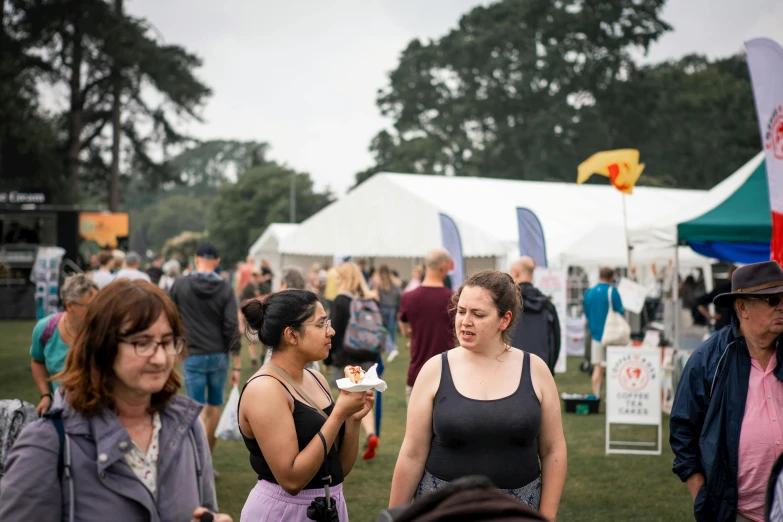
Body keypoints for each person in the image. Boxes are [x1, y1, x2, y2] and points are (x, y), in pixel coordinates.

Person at [0, 279, 232, 522]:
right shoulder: (47, 444)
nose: (161, 358)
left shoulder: (188, 427)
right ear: (102, 346)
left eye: (167, 342)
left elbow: (206, 510)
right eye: (142, 343)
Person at [389, 270, 567, 519]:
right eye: (461, 311)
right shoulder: (434, 370)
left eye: (478, 314)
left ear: (504, 320)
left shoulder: (535, 369)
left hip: (517, 511)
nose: (465, 321)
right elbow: (412, 454)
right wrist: (394, 515)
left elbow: (553, 450)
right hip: (443, 509)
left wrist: (546, 516)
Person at [238, 290, 374, 520]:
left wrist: (352, 419)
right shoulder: (265, 389)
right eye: (321, 324)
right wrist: (338, 414)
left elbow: (338, 469)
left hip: (328, 506)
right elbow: (292, 480)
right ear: (291, 335)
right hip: (284, 512)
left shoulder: (316, 378)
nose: (331, 331)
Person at [670, 261, 783, 522]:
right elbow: (682, 430)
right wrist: (701, 494)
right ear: (742, 306)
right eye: (772, 299)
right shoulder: (708, 358)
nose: (781, 306)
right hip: (735, 513)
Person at [170, 242, 240, 460]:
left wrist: (175, 345)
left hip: (193, 353)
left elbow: (169, 316)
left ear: (195, 258)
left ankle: (197, 459)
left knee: (196, 408)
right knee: (215, 405)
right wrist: (237, 363)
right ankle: (206, 456)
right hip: (219, 354)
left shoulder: (180, 285)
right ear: (217, 262)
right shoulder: (225, 288)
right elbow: (231, 325)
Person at [328, 261, 383, 460]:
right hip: (367, 356)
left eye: (338, 276)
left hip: (346, 358)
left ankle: (337, 441)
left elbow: (334, 333)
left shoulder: (341, 300)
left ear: (344, 278)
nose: (336, 279)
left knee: (344, 400)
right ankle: (371, 433)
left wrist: (328, 360)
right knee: (363, 396)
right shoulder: (371, 299)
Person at [30, 274, 99, 415]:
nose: (97, 310)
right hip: (62, 410)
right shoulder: (45, 329)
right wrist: (45, 395)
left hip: (99, 409)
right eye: (90, 306)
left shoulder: (104, 331)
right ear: (69, 306)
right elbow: (37, 362)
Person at [398, 248, 454, 404]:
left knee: (416, 427)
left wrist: (413, 334)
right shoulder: (452, 298)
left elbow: (404, 329)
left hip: (417, 372)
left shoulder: (408, 297)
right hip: (446, 374)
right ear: (443, 267)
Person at [509, 256, 561, 374]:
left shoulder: (508, 304)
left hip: (512, 370)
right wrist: (550, 370)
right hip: (541, 370)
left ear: (516, 273)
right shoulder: (547, 305)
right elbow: (555, 341)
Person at [583, 267, 625, 398]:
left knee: (598, 367)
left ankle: (597, 395)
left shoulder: (589, 292)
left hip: (596, 335)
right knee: (616, 368)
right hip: (612, 335)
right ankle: (615, 397)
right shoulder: (613, 291)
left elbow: (586, 312)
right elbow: (621, 311)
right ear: (611, 277)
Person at [695, 265, 737, 331]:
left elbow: (699, 303)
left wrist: (710, 316)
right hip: (725, 327)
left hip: (727, 327)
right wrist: (710, 316)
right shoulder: (722, 289)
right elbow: (699, 303)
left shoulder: (722, 289)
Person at [375, 264, 403, 348]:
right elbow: (399, 294)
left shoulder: (378, 282)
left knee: (383, 329)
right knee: (391, 329)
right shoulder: (394, 282)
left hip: (383, 307)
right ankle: (392, 346)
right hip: (392, 308)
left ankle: (385, 346)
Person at [241, 270, 263, 367]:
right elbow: (244, 302)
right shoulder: (247, 288)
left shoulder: (264, 286)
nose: (255, 278)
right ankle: (253, 358)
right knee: (252, 340)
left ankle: (262, 355)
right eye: (253, 275)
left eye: (256, 275)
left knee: (264, 338)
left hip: (263, 316)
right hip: (252, 316)